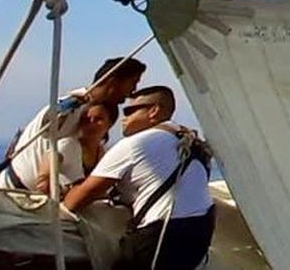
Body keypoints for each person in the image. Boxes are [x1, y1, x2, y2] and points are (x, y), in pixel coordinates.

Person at [63, 86, 214, 270]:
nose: (123, 118)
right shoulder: (192, 143)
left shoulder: (136, 144)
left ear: (154, 111)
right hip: (200, 234)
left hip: (161, 236)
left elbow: (76, 201)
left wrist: (69, 192)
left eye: (130, 111)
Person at [0, 55, 144, 191]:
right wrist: (71, 104)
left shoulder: (92, 113)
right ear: (113, 82)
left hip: (33, 199)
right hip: (9, 192)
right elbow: (49, 128)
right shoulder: (70, 106)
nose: (133, 91)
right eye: (133, 83)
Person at [28, 101, 117, 196]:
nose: (91, 123)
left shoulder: (103, 154)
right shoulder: (68, 145)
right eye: (86, 119)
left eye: (98, 119)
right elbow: (48, 166)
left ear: (110, 124)